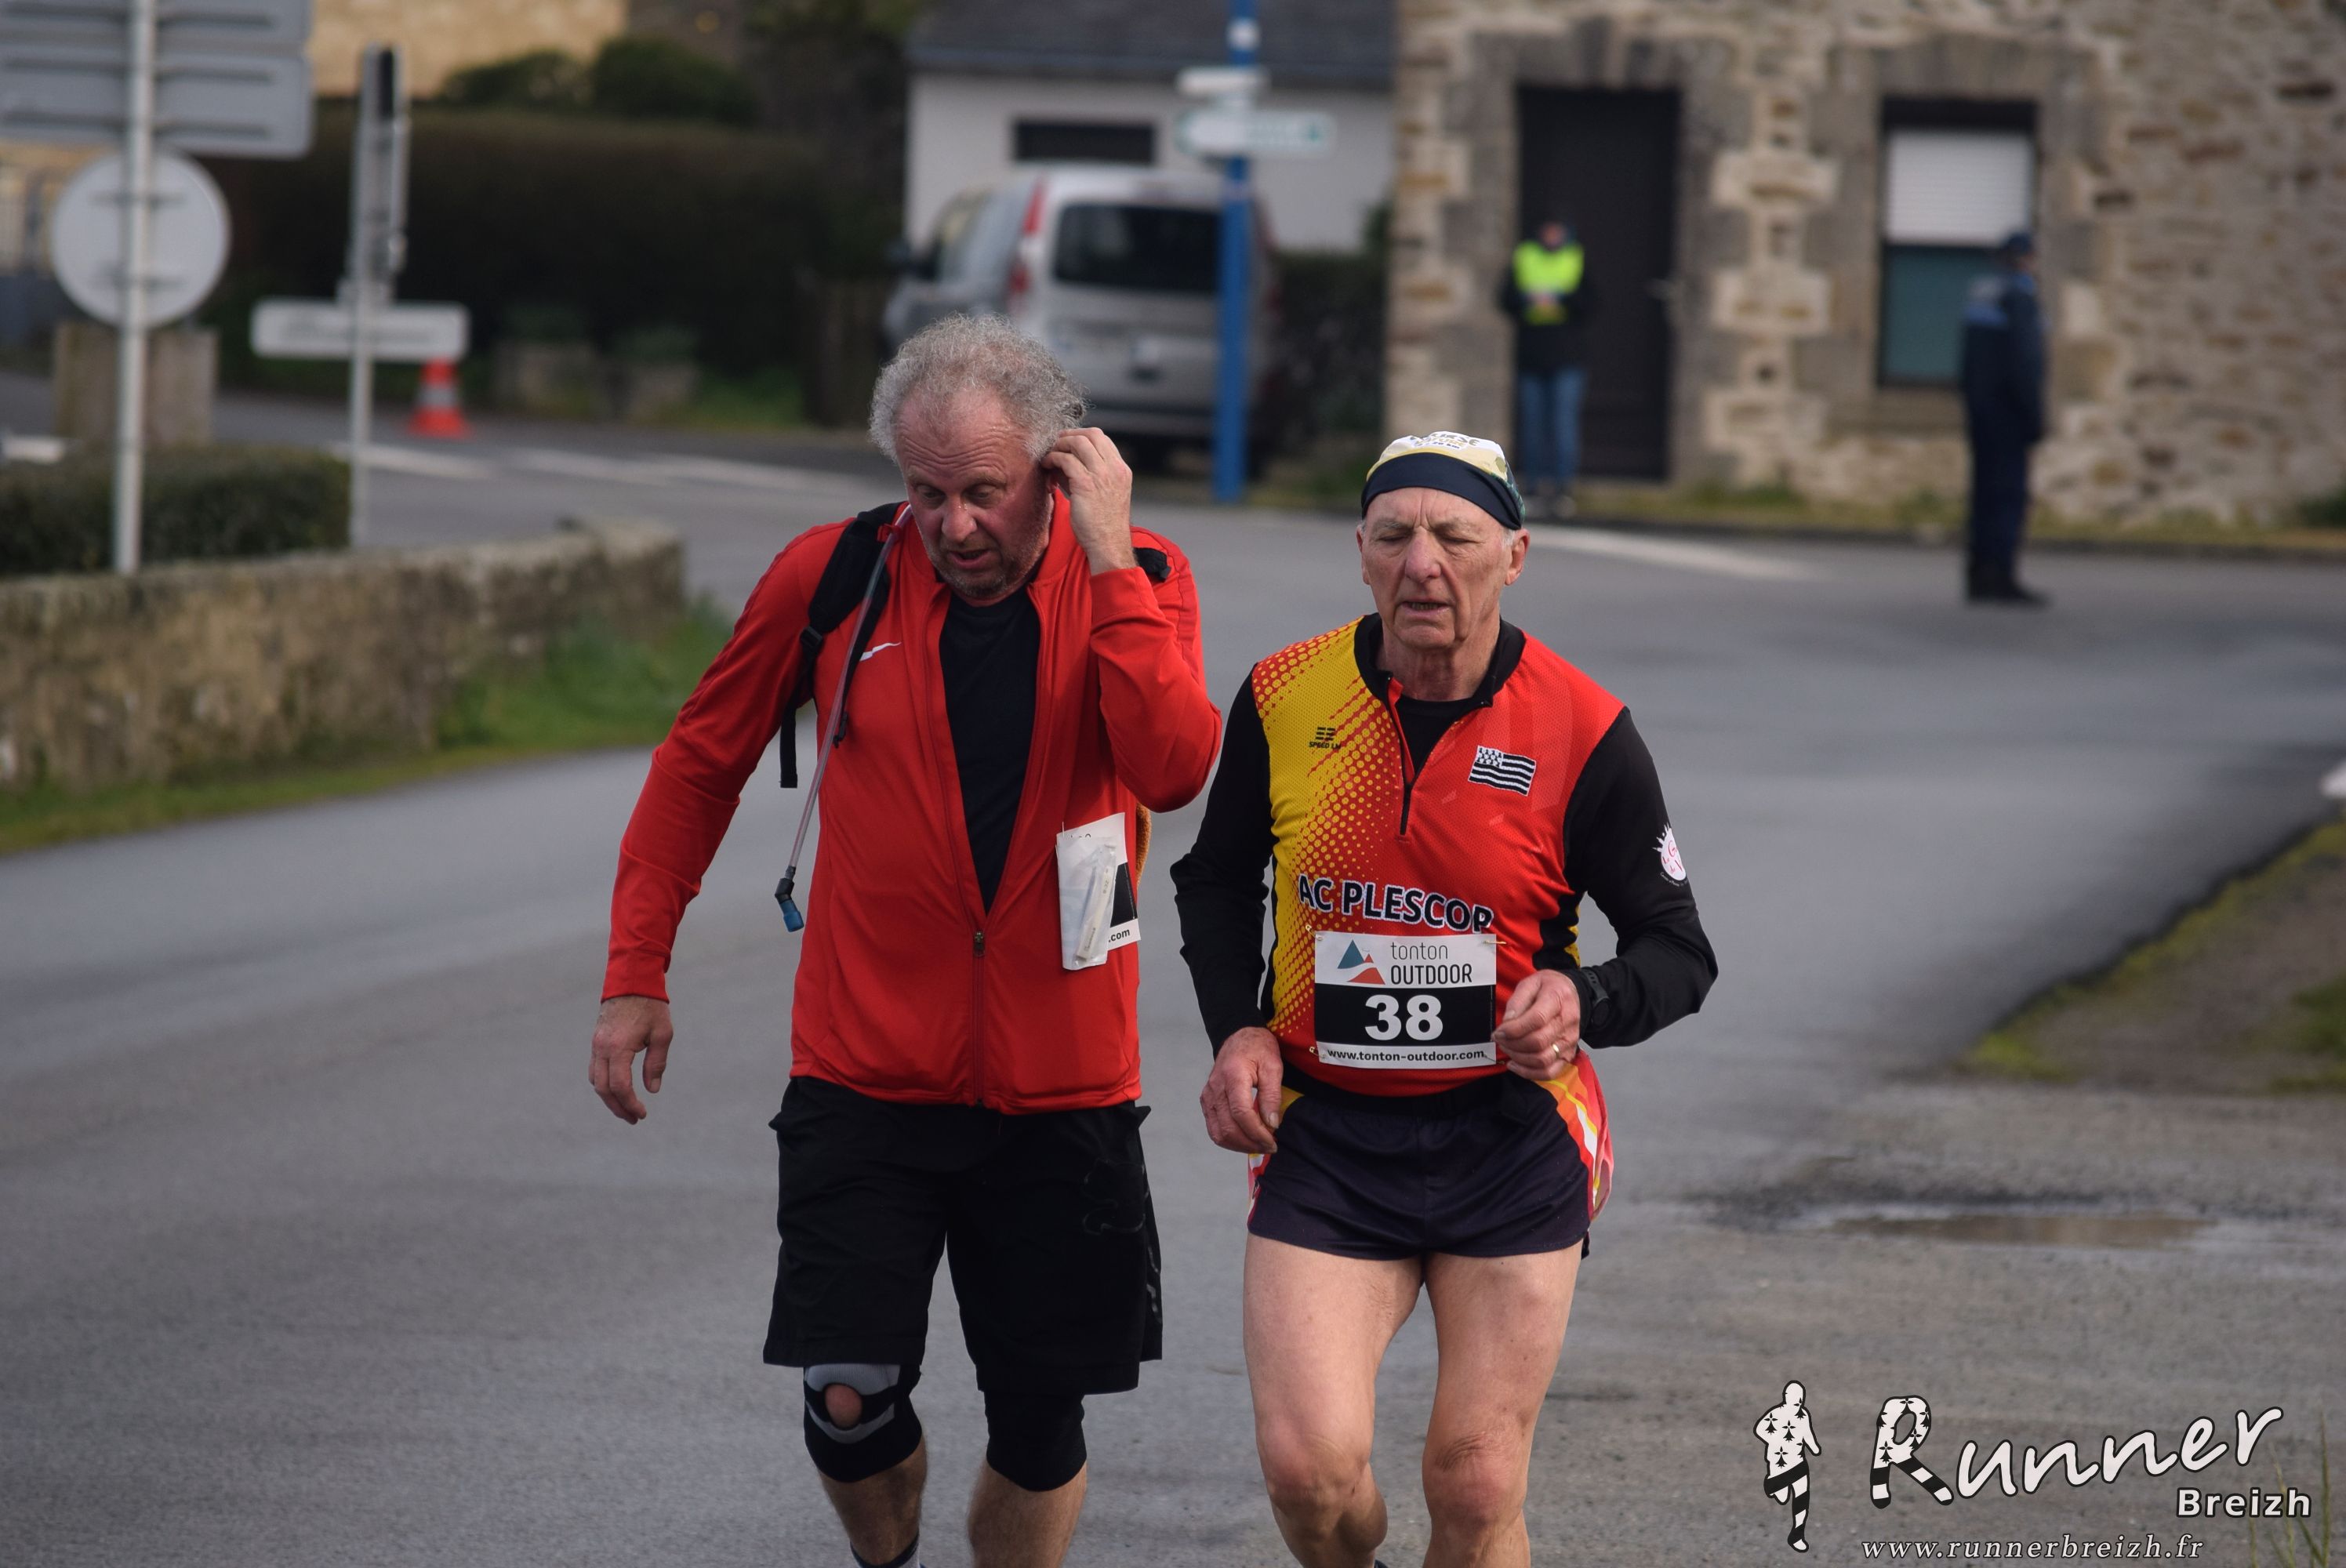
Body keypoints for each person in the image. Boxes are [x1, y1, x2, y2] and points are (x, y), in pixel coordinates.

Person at [589, 314, 1220, 1568]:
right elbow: (698, 765)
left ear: (1060, 466)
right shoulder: (834, 579)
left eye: (984, 492)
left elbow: (1173, 765)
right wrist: (634, 973)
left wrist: (1108, 565)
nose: (954, 526)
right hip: (865, 1074)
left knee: (1039, 1422)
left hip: (1061, 1083)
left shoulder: (1143, 576)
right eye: (926, 493)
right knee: (847, 1395)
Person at [1170, 430, 1716, 1568]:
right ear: (1361, 552)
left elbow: (1678, 951)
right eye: (1395, 536)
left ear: (1512, 555)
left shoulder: (1582, 726)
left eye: (1455, 537)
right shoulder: (1284, 694)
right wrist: (1238, 1030)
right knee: (1309, 1475)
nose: (1423, 563)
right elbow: (1215, 878)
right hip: (1328, 1134)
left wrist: (1581, 996)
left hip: (1510, 1136)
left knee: (1474, 1483)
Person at [1959, 230, 2049, 605]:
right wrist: (2035, 416)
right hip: (2009, 415)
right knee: (2008, 497)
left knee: (1983, 496)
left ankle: (1978, 574)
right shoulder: (2020, 297)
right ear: (2026, 259)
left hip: (1980, 412)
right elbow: (2025, 363)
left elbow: (1968, 361)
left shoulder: (1983, 293)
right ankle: (2001, 576)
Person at [1495, 217, 1596, 518]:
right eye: (1547, 230)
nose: (1552, 235)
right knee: (1532, 426)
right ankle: (1533, 487)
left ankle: (1563, 489)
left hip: (1567, 358)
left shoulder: (1576, 258)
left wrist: (1562, 299)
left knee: (1563, 426)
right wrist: (1528, 299)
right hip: (1532, 357)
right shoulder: (1525, 257)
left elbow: (1592, 302)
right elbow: (1505, 298)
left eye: (1557, 230)